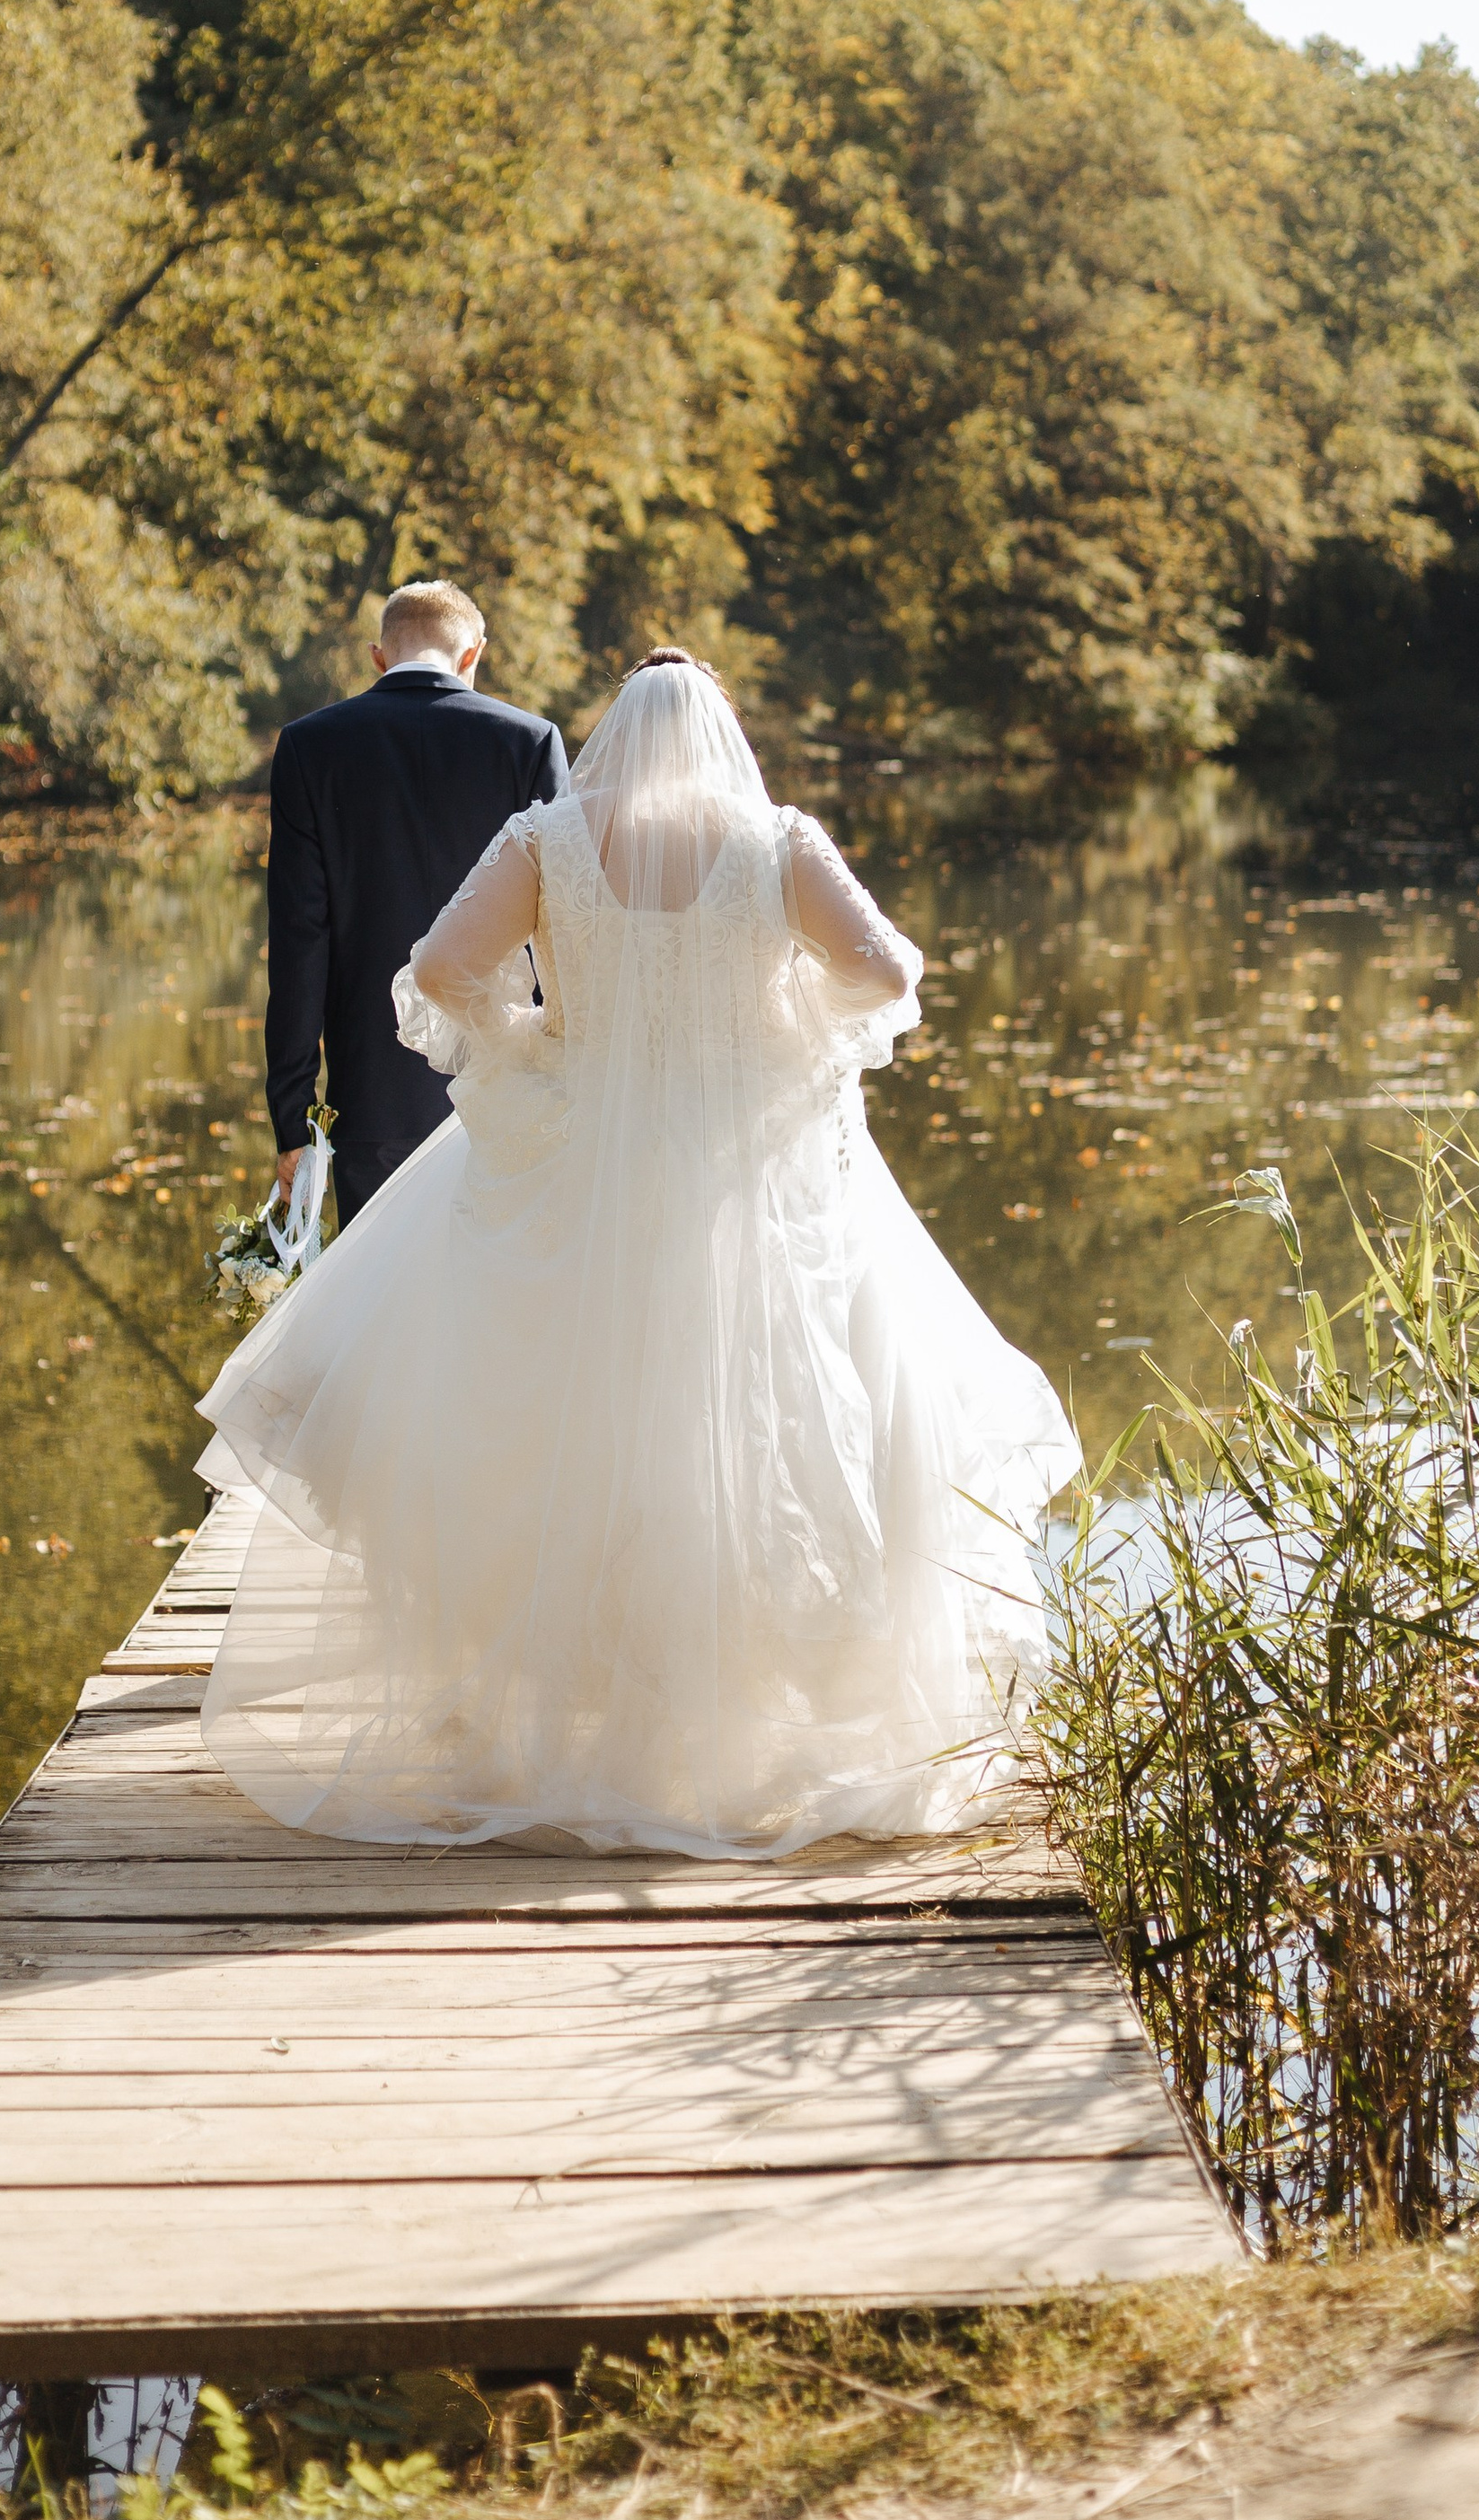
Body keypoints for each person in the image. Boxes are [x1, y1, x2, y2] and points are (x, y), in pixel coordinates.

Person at [199, 648, 1078, 1857]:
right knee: (755, 1416)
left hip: (577, 1151)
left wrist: (534, 1046)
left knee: (557, 1419)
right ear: (719, 730)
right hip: (736, 1174)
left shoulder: (548, 840)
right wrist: (780, 1042)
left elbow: (443, 972)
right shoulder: (778, 846)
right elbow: (885, 972)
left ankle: (566, 1709)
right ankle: (731, 1715)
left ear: (615, 731)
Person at [263, 579, 568, 1227]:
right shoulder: (531, 743)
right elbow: (560, 936)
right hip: (506, 1090)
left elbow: (298, 943)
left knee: (382, 1315)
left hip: (372, 1098)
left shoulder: (309, 747)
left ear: (379, 656)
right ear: (472, 654)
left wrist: (293, 1116)